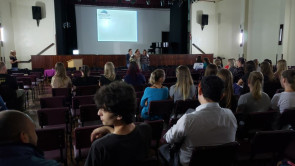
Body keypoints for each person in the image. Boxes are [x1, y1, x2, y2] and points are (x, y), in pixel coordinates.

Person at [162, 76, 237, 166]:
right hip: (221, 161)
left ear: (199, 91)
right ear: (222, 96)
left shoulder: (188, 119)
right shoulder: (231, 115)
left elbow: (169, 138)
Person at [85, 82, 152, 166]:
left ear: (119, 115)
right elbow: (125, 141)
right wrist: (109, 130)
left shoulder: (100, 147)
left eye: (104, 110)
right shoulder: (146, 129)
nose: (99, 113)